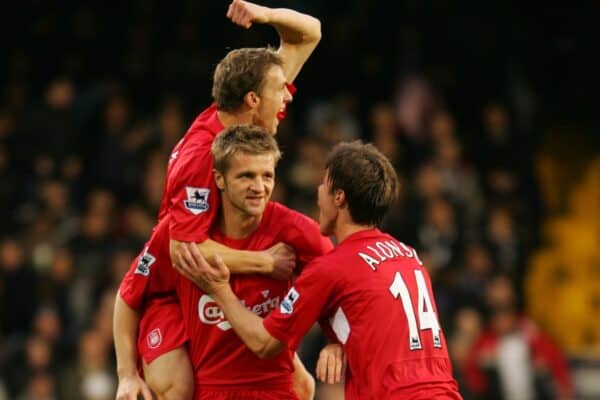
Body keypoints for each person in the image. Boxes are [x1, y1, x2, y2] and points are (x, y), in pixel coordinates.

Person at [114, 1, 322, 399]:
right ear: (252, 100)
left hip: (219, 270)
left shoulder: (245, 120)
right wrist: (265, 262)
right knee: (180, 387)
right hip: (176, 288)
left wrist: (265, 15)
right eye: (281, 91)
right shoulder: (202, 158)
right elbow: (183, 250)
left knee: (301, 384)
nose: (289, 97)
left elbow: (310, 32)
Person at [186, 141, 464, 400]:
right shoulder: (408, 256)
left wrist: (220, 290)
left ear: (339, 197)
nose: (318, 193)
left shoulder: (331, 267)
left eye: (323, 184)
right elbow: (372, 320)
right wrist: (340, 343)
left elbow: (264, 343)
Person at [119, 125, 334, 399]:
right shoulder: (179, 234)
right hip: (210, 389)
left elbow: (344, 284)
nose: (259, 187)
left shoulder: (299, 233)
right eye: (246, 176)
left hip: (274, 388)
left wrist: (336, 342)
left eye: (267, 175)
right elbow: (128, 297)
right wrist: (126, 374)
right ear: (219, 179)